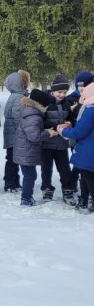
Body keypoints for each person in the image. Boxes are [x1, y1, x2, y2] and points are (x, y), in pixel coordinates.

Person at [14, 89, 57, 206]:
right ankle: (26, 198)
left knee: (29, 175)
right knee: (30, 176)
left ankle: (26, 197)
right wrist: (48, 133)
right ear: (41, 105)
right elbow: (34, 136)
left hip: (25, 150)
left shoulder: (29, 112)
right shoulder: (34, 117)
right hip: (27, 152)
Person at [40, 75, 77, 204]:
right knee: (46, 169)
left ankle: (68, 192)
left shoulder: (67, 104)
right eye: (59, 92)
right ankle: (47, 190)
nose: (62, 95)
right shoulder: (45, 104)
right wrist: (55, 126)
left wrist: (70, 123)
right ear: (53, 91)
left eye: (64, 92)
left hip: (62, 144)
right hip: (47, 143)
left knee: (65, 169)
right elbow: (41, 122)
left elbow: (72, 120)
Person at [59, 81, 94, 214]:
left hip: (88, 150)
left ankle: (87, 201)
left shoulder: (90, 111)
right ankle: (83, 201)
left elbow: (80, 132)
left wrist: (63, 131)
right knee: (85, 176)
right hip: (89, 150)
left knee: (88, 177)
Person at [2, 70, 30, 193]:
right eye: (24, 82)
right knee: (13, 160)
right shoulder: (19, 98)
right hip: (16, 135)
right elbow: (19, 118)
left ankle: (14, 182)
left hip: (12, 134)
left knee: (13, 159)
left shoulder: (15, 96)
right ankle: (9, 184)